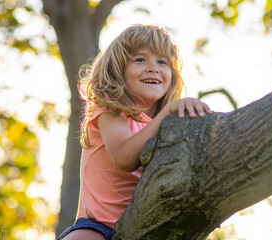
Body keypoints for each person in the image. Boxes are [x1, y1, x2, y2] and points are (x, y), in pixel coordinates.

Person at [57, 24, 212, 240]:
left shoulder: (166, 124)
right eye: (140, 59)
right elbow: (124, 157)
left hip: (149, 226)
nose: (153, 68)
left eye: (162, 62)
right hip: (98, 226)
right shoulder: (110, 108)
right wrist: (166, 113)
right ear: (117, 69)